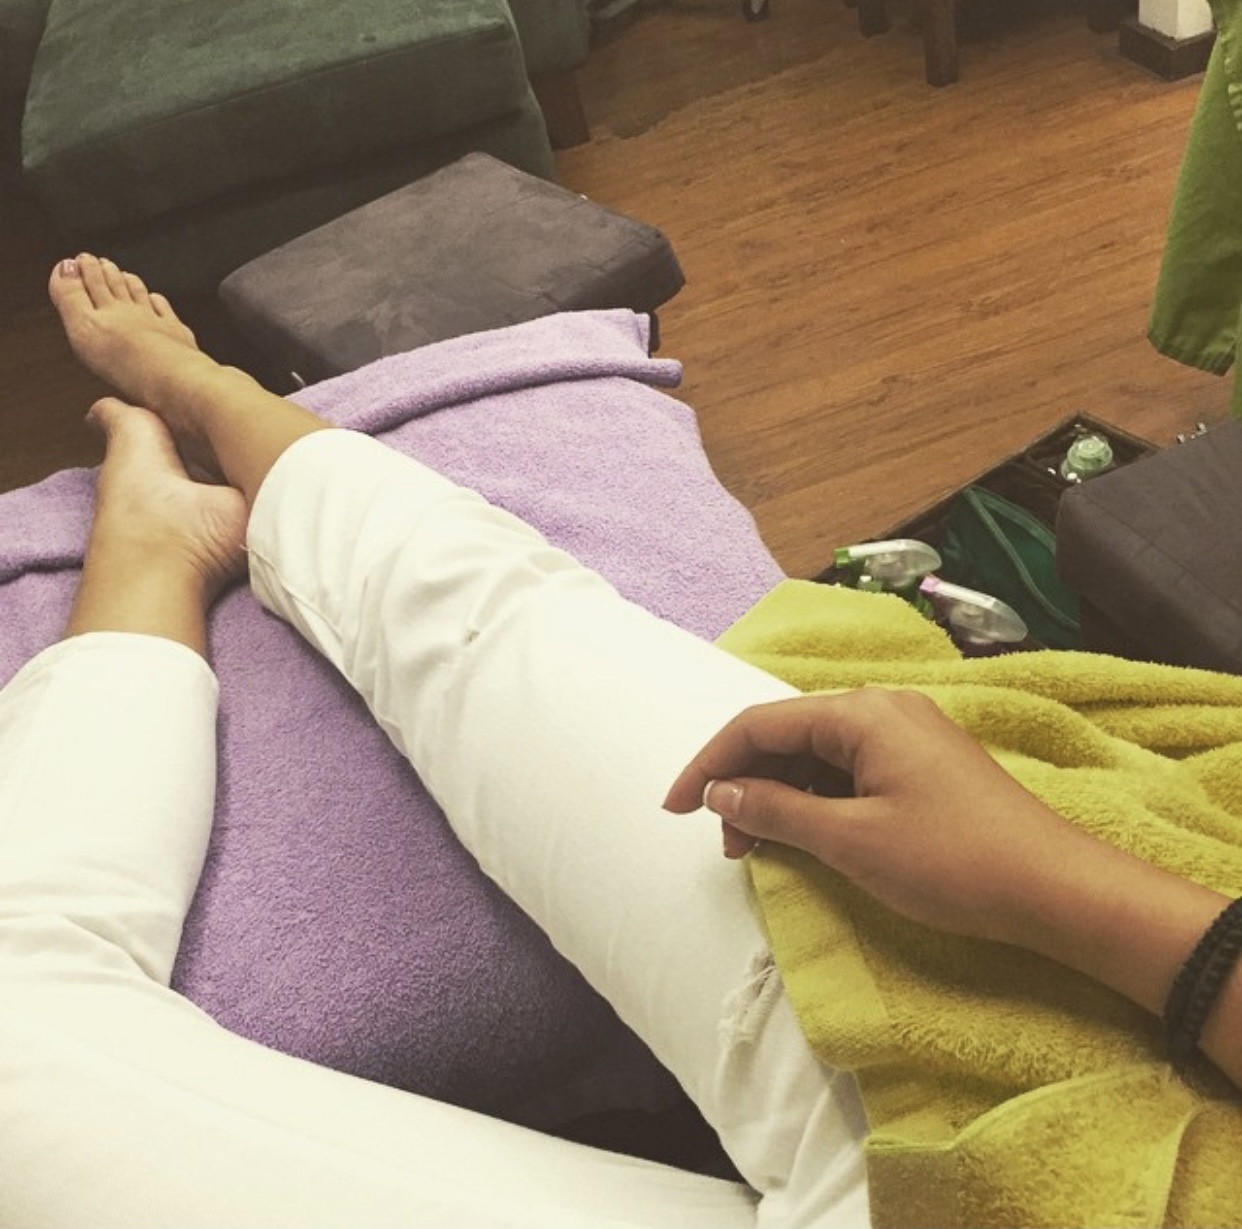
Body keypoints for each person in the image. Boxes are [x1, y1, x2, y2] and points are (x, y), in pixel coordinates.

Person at [0, 255, 1238, 1227]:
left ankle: (154, 537)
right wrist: (1063, 886)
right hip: (1101, 1071)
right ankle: (209, 403)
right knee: (487, 618)